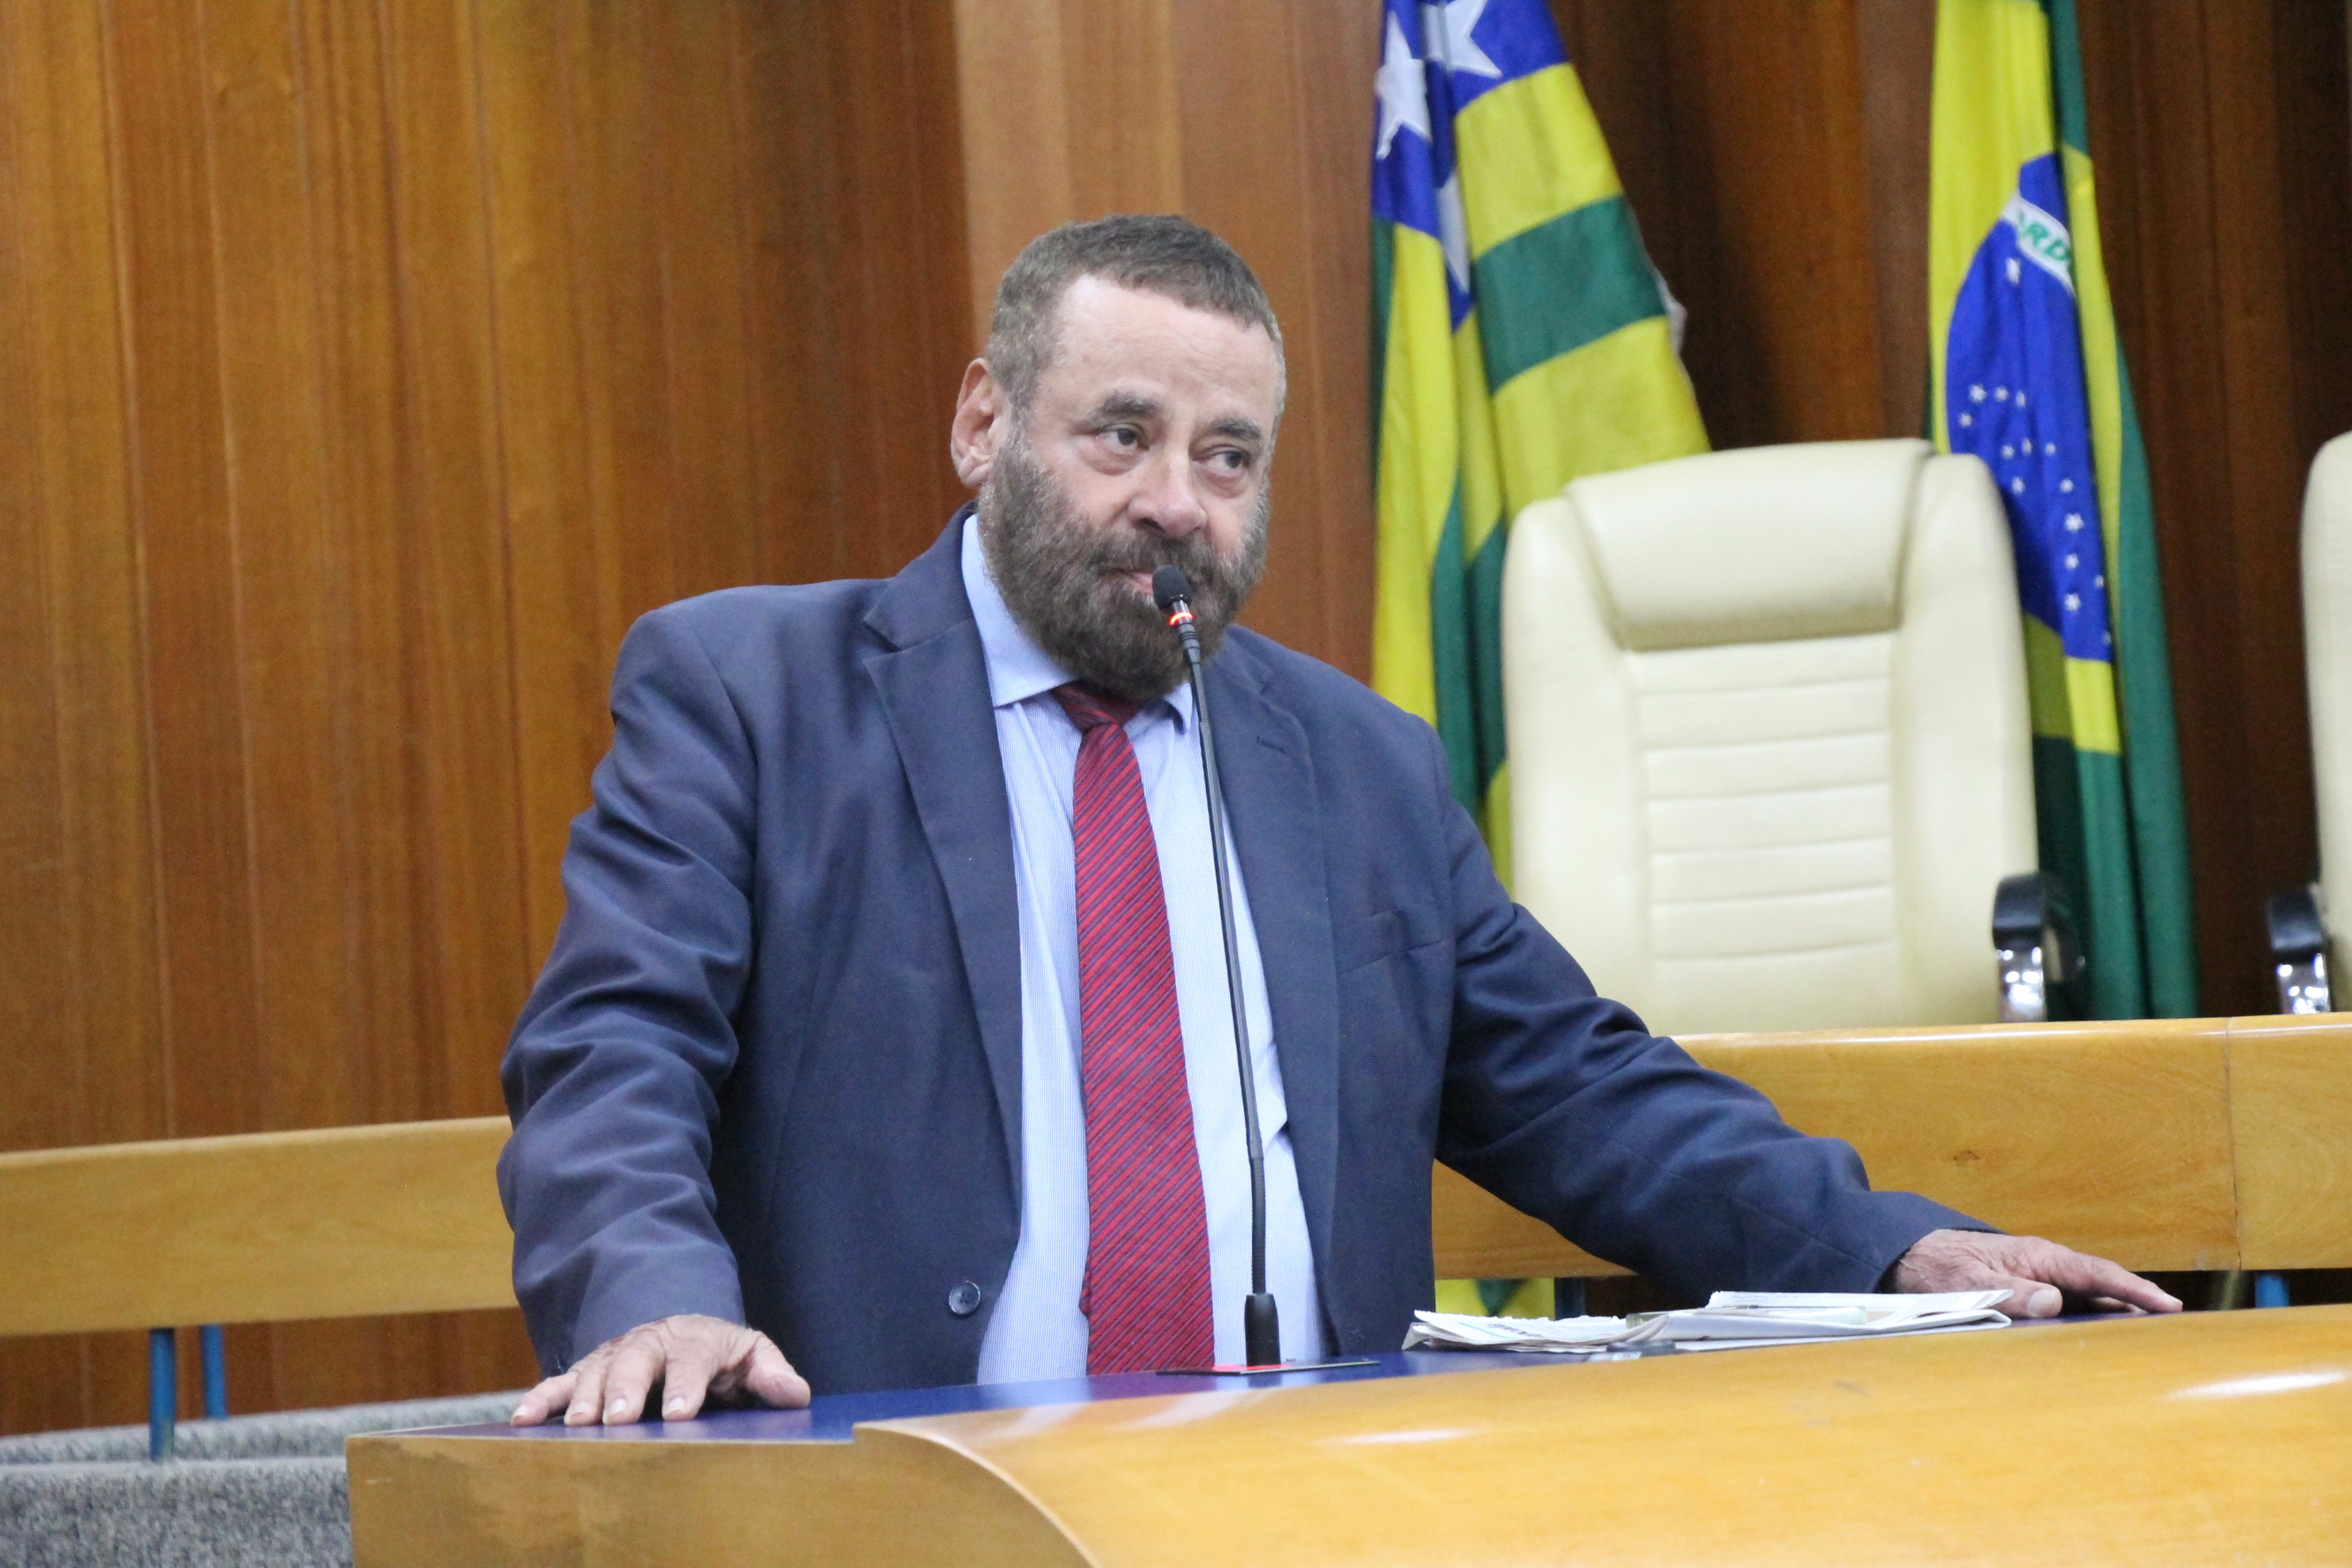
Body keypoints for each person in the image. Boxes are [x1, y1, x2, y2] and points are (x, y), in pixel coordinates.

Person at [500, 215, 2178, 1428]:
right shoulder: (755, 696)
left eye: (1229, 458)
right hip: (905, 1502)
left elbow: (1578, 1088)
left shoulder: (1355, 764)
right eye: (1121, 437)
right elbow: (615, 1050)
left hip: (1304, 1500)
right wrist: (658, 1302)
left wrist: (1895, 1252)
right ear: (983, 424)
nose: (1175, 501)